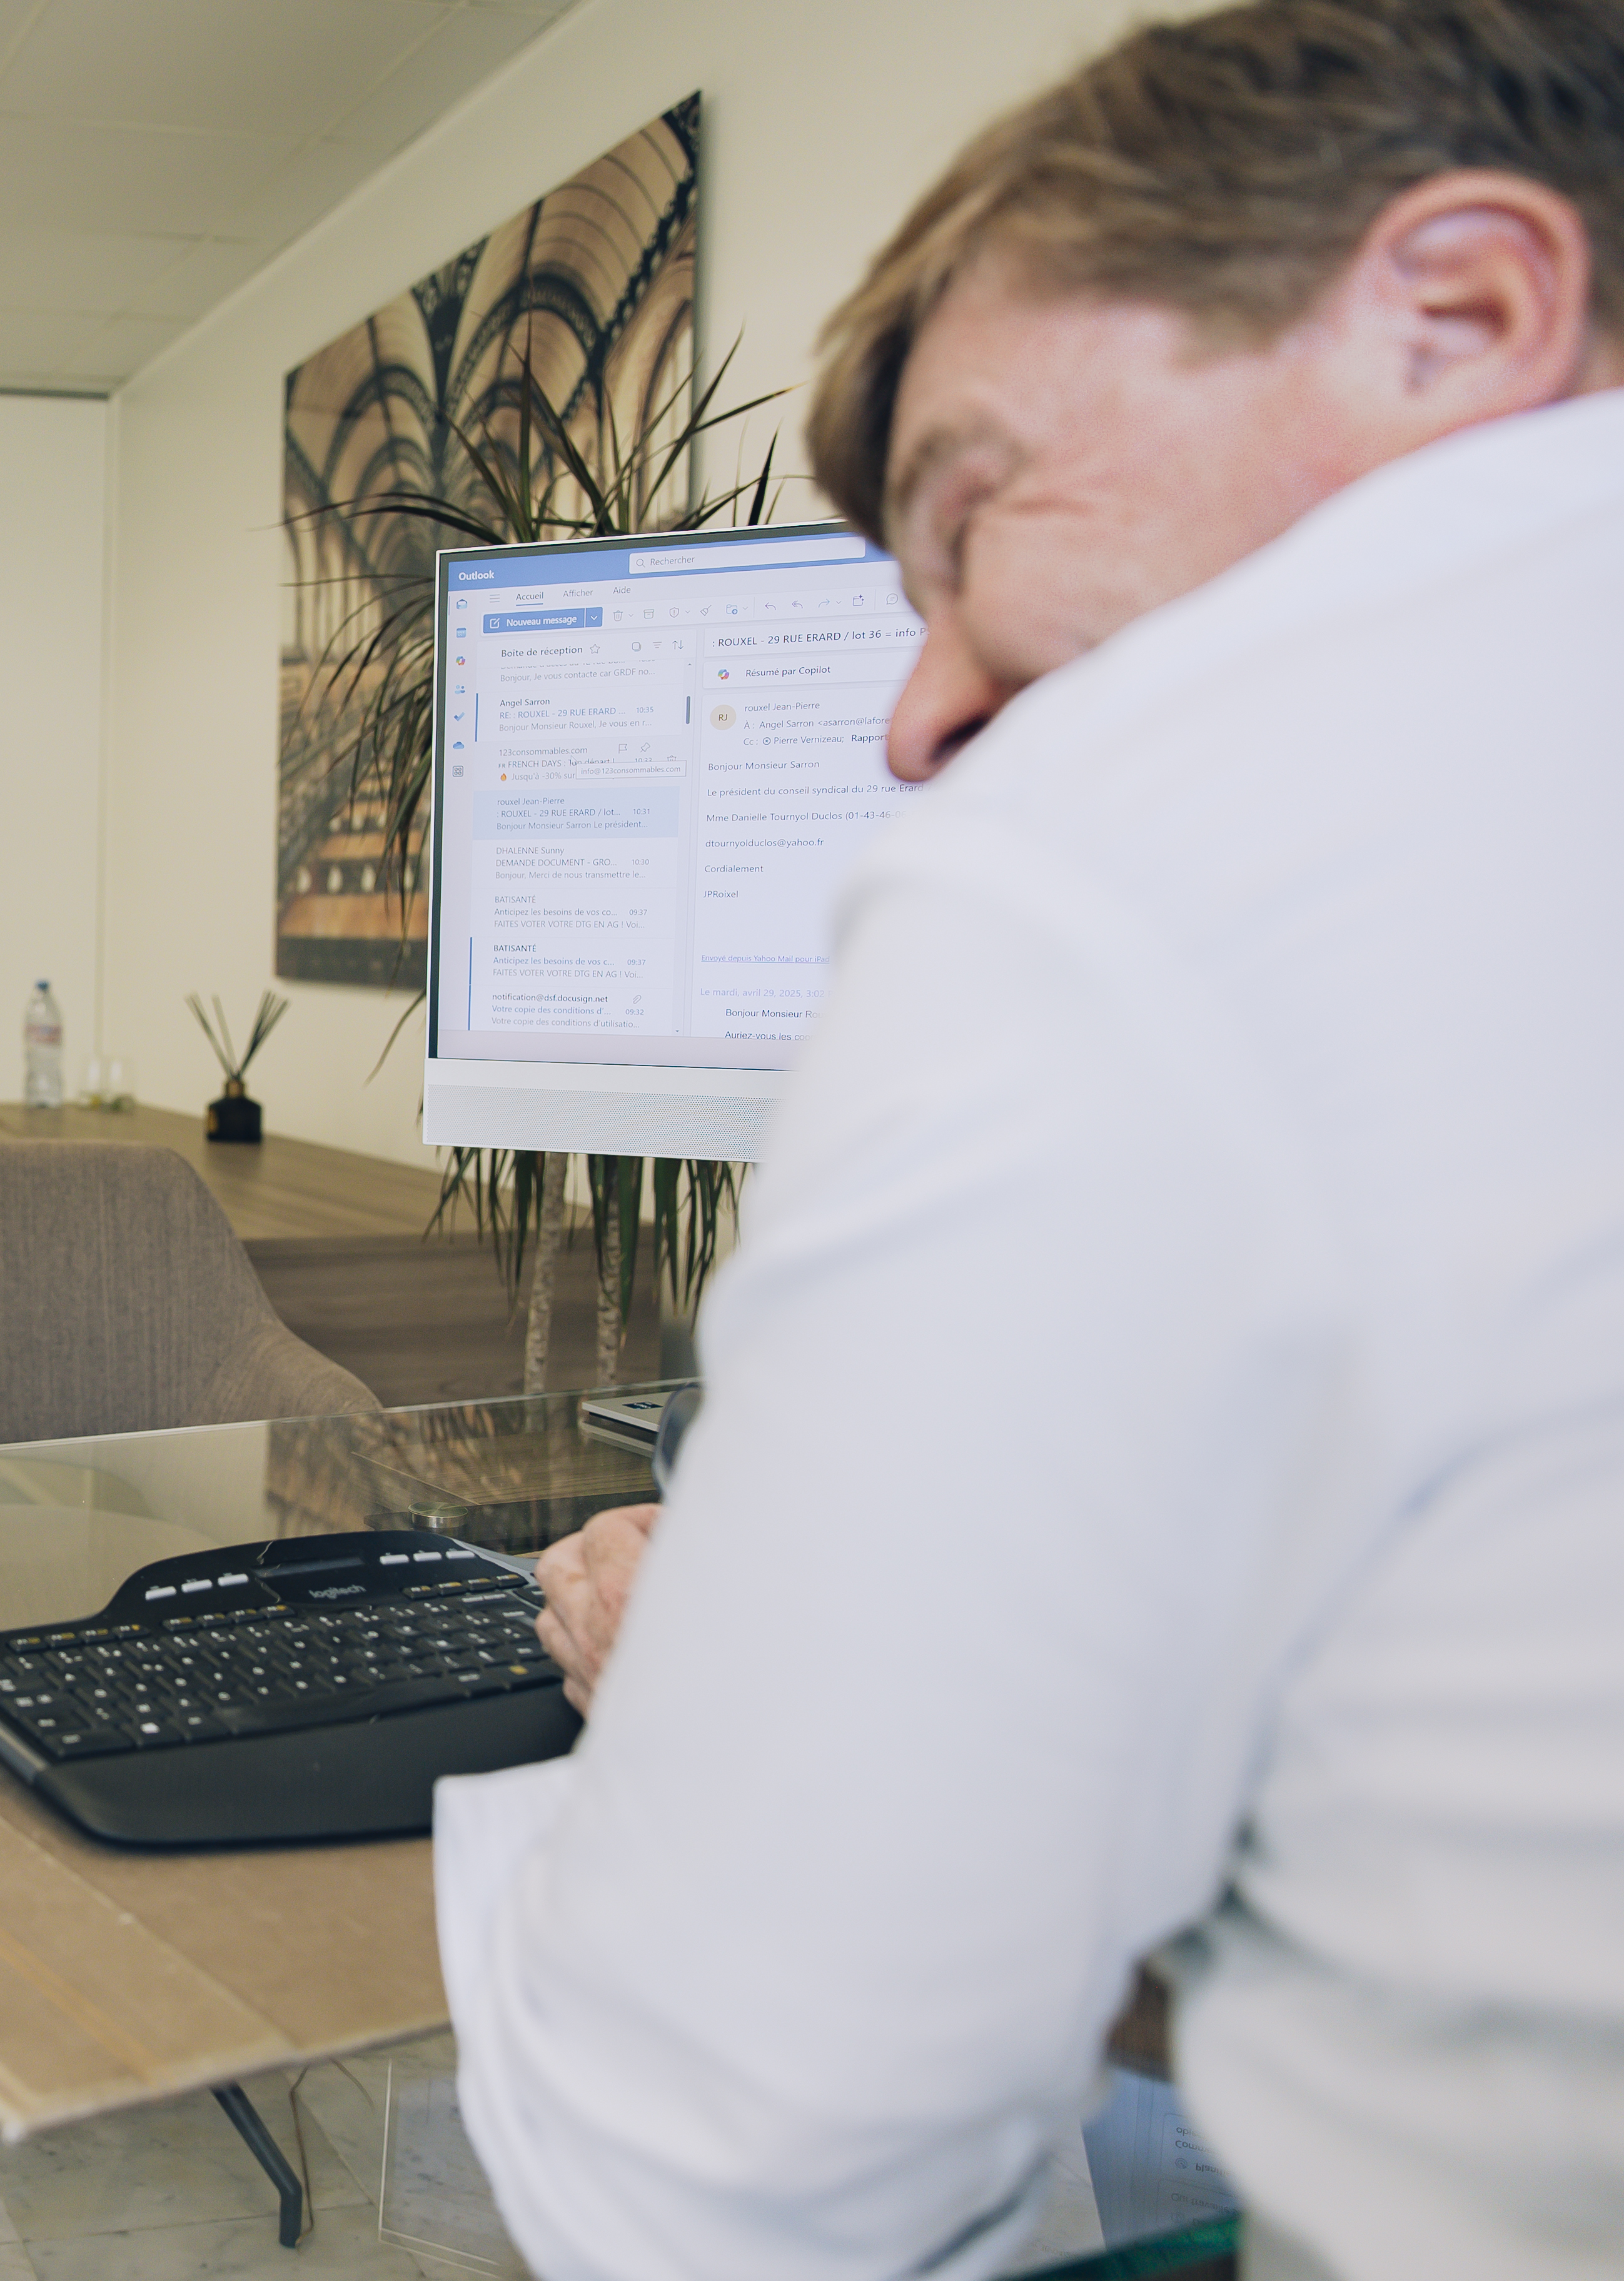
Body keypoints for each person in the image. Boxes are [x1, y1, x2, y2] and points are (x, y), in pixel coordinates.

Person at [433, 4, 1624, 2277]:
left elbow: (725, 2178)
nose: (917, 719)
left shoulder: (1147, 826)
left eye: (974, 521)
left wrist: (736, 1697)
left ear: (1457, 312)